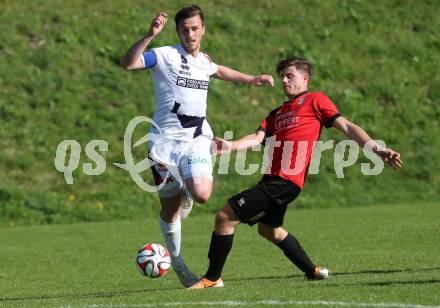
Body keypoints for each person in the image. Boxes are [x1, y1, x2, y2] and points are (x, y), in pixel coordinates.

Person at [190, 56, 403, 288]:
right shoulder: (275, 114)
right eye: (282, 76)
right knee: (269, 229)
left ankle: (212, 278)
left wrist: (377, 149)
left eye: (289, 75)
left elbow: (348, 127)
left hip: (285, 180)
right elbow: (256, 138)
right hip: (273, 179)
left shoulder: (315, 100)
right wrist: (231, 146)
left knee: (224, 217)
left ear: (305, 78)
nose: (284, 80)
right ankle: (312, 271)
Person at [120, 5, 274, 287]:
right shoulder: (165, 55)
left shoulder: (204, 61)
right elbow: (129, 63)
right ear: (177, 31)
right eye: (183, 29)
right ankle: (178, 265)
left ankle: (187, 191)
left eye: (194, 28)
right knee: (169, 211)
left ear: (202, 29)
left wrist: (251, 79)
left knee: (202, 194)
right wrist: (148, 35)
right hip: (163, 147)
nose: (189, 33)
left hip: (196, 140)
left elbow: (219, 71)